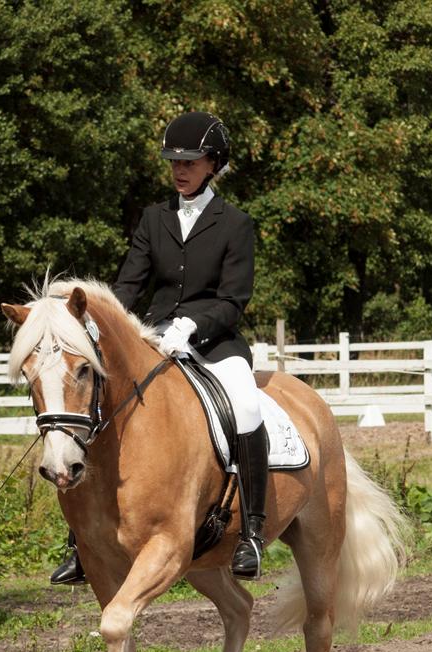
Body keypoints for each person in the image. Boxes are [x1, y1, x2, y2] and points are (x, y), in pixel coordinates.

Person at [51, 111, 268, 584]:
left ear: (213, 164)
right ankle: (80, 543)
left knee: (247, 405)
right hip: (154, 338)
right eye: (173, 161)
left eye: (190, 162)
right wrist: (93, 322)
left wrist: (193, 324)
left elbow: (234, 300)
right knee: (94, 406)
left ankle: (251, 531)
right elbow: (128, 285)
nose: (179, 169)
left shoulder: (236, 224)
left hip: (215, 342)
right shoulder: (155, 218)